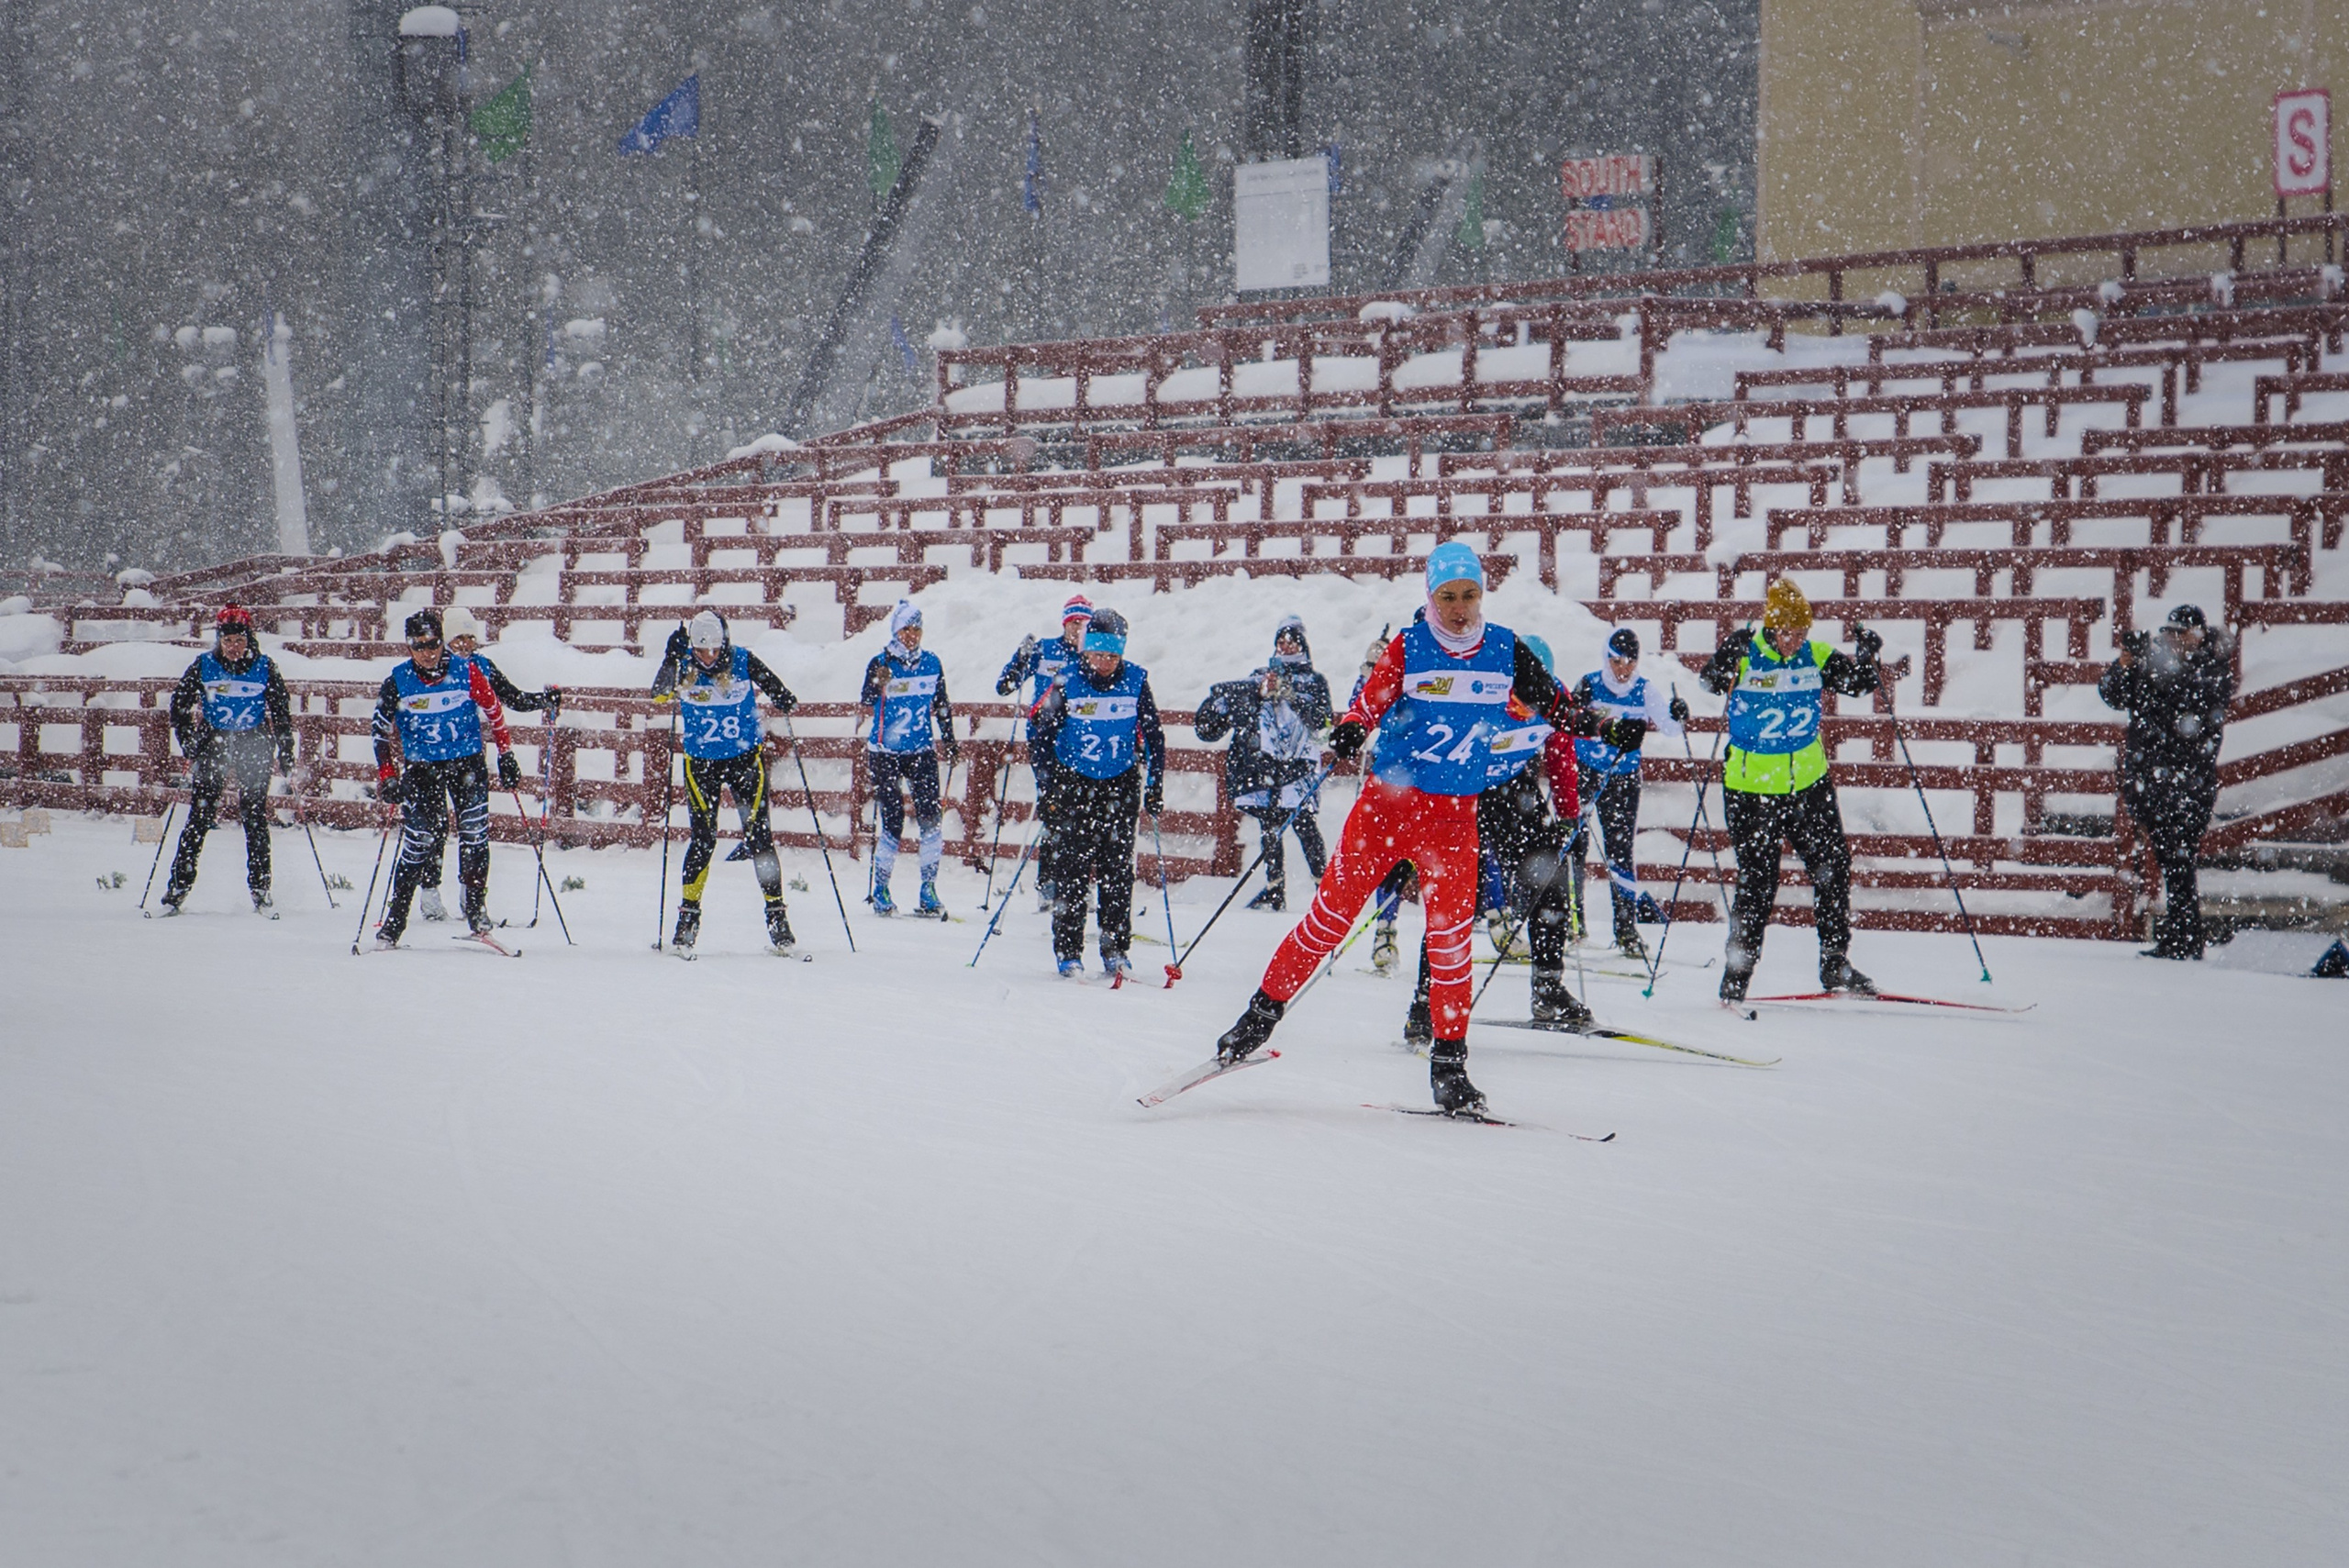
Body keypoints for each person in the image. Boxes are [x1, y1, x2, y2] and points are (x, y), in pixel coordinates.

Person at [1212, 543, 1641, 1116]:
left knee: (1451, 943)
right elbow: (1366, 705)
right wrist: (1351, 730)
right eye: (1448, 597)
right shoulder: (1410, 647)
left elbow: (1560, 709)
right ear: (1431, 597)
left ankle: (1450, 1068)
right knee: (1329, 921)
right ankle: (1256, 1019)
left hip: (1452, 819)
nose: (1460, 609)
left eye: (1469, 596)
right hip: (1385, 812)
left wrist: (1606, 730)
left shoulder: (1505, 650)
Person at [1402, 633, 1614, 1045]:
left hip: (1514, 789)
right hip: (1464, 791)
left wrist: (1568, 813)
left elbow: (1560, 752)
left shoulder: (1553, 699)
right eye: (1518, 697)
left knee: (1550, 878)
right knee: (1456, 900)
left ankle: (1548, 988)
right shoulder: (1484, 693)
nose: (1524, 707)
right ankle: (1425, 1003)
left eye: (1534, 699)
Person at [1698, 578, 1885, 1003]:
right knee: (1759, 882)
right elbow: (1709, 683)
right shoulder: (1747, 654)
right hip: (1751, 790)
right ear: (1771, 628)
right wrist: (1725, 655)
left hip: (1808, 786)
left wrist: (1869, 654)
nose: (1794, 641)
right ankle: (1736, 977)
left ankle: (1835, 962)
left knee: (1834, 867)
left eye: (1801, 633)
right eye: (1787, 633)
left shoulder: (1815, 655)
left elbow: (1858, 684)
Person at [651, 609, 802, 954]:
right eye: (701, 651)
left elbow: (779, 689)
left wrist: (783, 698)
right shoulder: (684, 664)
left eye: (714, 650)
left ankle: (778, 919)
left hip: (744, 760)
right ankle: (688, 921)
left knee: (760, 838)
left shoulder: (742, 660)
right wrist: (670, 658)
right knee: (704, 840)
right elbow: (658, 695)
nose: (708, 657)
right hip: (701, 765)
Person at [1028, 608, 1165, 980]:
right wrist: (1047, 787)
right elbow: (1042, 738)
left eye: (1112, 656)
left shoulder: (1136, 679)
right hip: (1074, 784)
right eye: (1098, 655)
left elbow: (1154, 736)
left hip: (1120, 783)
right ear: (1086, 652)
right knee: (1072, 872)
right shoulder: (1067, 680)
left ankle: (1115, 949)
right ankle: (1069, 952)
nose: (1105, 663)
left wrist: (1155, 784)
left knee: (1117, 872)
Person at [370, 608, 523, 945]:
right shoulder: (398, 680)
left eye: (433, 644)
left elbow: (494, 710)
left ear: (442, 641)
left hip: (467, 763)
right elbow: (379, 731)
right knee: (418, 843)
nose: (428, 653)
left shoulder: (466, 671)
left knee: (475, 835)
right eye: (419, 646)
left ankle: (476, 912)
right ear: (409, 646)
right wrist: (388, 775)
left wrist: (506, 754)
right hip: (422, 768)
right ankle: (394, 922)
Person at [407, 605, 565, 923]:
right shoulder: (429, 670)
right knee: (434, 826)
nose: (465, 644)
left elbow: (511, 698)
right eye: (458, 638)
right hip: (430, 758)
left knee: (474, 830)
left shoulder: (480, 666)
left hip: (467, 757)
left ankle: (471, 897)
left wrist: (542, 700)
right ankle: (430, 893)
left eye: (470, 638)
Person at [2099, 604, 2235, 960]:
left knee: (2179, 861)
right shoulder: (2157, 664)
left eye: (2180, 633)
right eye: (2169, 633)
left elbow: (2184, 698)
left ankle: (2184, 937)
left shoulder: (2211, 668)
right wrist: (2126, 664)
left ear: (2197, 635)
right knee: (2173, 862)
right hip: (2156, 782)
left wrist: (2151, 664)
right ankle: (2183, 936)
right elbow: (2114, 695)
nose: (2173, 640)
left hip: (2187, 783)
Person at [157, 604, 298, 915]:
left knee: (254, 815)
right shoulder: (204, 666)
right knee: (200, 816)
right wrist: (188, 741)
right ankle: (178, 887)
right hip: (214, 742)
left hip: (253, 742)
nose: (234, 647)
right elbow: (179, 705)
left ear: (249, 639)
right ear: (219, 640)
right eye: (228, 640)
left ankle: (260, 887)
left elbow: (281, 712)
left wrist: (286, 750)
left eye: (240, 640)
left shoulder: (264, 666)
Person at [1192, 615, 1334, 912]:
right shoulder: (1261, 675)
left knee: (1305, 823)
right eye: (1281, 642)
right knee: (1269, 823)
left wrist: (1293, 697)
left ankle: (1324, 889)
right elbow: (1240, 704)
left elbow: (1323, 726)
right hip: (1268, 763)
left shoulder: (1314, 681)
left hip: (1300, 762)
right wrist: (1259, 693)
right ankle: (1274, 887)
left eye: (1291, 642)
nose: (1285, 647)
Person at [1570, 628, 1689, 960]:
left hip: (1622, 779)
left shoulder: (1644, 689)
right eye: (1616, 661)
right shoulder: (1589, 684)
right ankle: (1573, 924)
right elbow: (1569, 720)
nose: (1623, 669)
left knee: (1620, 852)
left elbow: (1671, 727)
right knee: (1575, 845)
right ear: (1606, 658)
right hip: (1587, 772)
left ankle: (1625, 930)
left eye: (1630, 662)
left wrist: (1679, 713)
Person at [860, 599, 958, 917]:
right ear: (896, 631)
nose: (911, 635)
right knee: (893, 821)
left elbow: (941, 703)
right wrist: (878, 681)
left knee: (931, 819)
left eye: (917, 629)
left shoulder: (932, 663)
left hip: (921, 751)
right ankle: (881, 888)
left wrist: (949, 739)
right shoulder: (881, 662)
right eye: (906, 629)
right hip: (885, 753)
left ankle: (928, 888)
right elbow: (866, 699)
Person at [996, 594, 1094, 910]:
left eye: (1084, 623)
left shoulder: (1094, 656)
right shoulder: (1045, 650)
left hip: (1080, 742)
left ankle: (1079, 883)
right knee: (1054, 809)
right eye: (1073, 622)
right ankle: (1048, 884)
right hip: (1045, 740)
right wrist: (1019, 658)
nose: (1078, 628)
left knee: (1084, 812)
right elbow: (1005, 685)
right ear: (1064, 623)